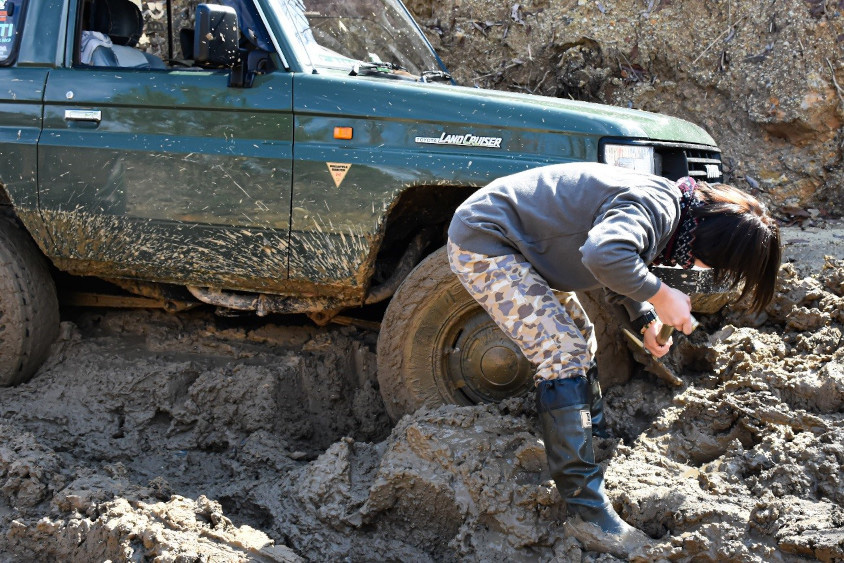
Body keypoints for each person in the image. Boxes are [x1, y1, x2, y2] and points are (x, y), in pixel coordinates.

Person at [446, 162, 781, 555]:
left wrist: (645, 318)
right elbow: (604, 254)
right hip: (488, 240)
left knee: (581, 338)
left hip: (526, 248)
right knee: (562, 351)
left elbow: (625, 265)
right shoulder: (655, 206)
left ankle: (595, 435)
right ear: (712, 245)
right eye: (716, 267)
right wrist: (661, 293)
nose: (700, 270)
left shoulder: (676, 214)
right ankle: (586, 507)